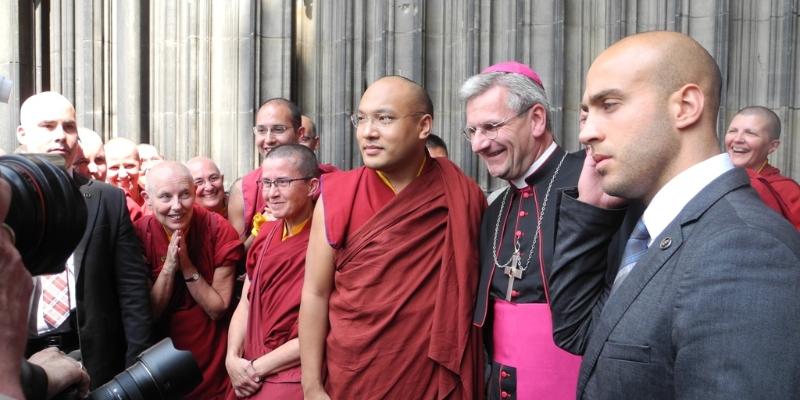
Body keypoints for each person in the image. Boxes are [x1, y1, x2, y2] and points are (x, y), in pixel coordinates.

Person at [549, 31, 800, 399]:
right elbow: (579, 331)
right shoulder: (653, 227)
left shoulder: (746, 250)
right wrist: (592, 212)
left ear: (685, 107)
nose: (586, 132)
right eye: (587, 113)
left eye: (610, 104)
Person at [299, 76, 486, 399]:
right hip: (354, 375)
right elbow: (315, 293)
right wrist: (311, 385)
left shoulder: (461, 195)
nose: (368, 131)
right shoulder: (338, 194)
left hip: (430, 376)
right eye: (362, 119)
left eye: (384, 119)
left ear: (424, 126)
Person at [461, 61, 591, 399]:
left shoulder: (590, 182)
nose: (478, 144)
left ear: (536, 119)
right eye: (472, 131)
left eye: (490, 127)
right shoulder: (496, 207)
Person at [18, 91, 153, 389]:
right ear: (23, 133)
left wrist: (136, 374)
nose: (60, 136)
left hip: (93, 361)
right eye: (47, 126)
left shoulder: (107, 200)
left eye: (68, 127)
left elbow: (133, 295)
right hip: (19, 360)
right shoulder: (7, 199)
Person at [135, 161, 243, 400]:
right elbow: (149, 314)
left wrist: (186, 265)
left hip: (212, 354)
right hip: (163, 358)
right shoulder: (138, 234)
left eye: (184, 195)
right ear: (147, 198)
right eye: (165, 197)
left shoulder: (218, 230)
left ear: (194, 192)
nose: (177, 206)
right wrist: (168, 267)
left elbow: (218, 308)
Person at [226, 145, 320, 400]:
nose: (271, 193)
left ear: (312, 187)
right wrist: (232, 358)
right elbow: (245, 304)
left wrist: (256, 369)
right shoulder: (264, 235)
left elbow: (324, 328)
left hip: (290, 372)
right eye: (266, 183)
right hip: (247, 368)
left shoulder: (325, 243)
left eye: (282, 182)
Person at [228, 98, 306, 250]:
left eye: (278, 129)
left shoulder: (325, 180)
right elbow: (234, 260)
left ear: (300, 133)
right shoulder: (243, 189)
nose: (269, 139)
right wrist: (261, 228)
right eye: (261, 130)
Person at [724, 106, 800, 228]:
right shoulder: (714, 178)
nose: (737, 139)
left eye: (750, 133)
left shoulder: (789, 191)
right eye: (732, 131)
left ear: (772, 146)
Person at [105, 137, 145, 221]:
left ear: (141, 164)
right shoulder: (101, 206)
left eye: (130, 166)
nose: (123, 175)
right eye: (114, 167)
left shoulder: (155, 200)